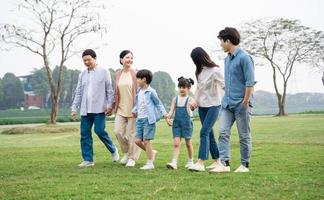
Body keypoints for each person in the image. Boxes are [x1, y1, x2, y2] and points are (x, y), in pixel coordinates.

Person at [210, 27, 256, 173]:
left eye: (221, 42)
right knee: (223, 132)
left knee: (243, 136)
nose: (220, 45)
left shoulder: (245, 58)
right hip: (227, 104)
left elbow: (250, 82)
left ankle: (244, 165)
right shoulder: (226, 60)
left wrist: (245, 100)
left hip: (241, 104)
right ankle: (224, 163)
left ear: (228, 41)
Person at [71, 49, 119, 168]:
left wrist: (109, 106)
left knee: (99, 131)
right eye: (84, 60)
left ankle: (113, 150)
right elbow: (78, 92)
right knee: (84, 133)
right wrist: (74, 108)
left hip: (99, 109)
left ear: (95, 58)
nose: (87, 62)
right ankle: (88, 159)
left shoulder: (104, 72)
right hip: (85, 109)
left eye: (89, 59)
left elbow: (109, 90)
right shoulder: (82, 74)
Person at [188, 47, 225, 172]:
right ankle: (217, 161)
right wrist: (194, 100)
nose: (195, 62)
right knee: (209, 133)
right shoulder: (199, 71)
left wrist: (231, 100)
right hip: (202, 106)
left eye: (196, 59)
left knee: (204, 131)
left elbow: (224, 85)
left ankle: (200, 161)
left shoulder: (215, 70)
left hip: (214, 105)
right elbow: (198, 89)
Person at [132, 69, 168, 170]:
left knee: (146, 141)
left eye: (138, 79)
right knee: (137, 141)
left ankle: (150, 163)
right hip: (140, 119)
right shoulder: (139, 91)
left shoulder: (151, 92)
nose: (137, 80)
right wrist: (134, 110)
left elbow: (158, 103)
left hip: (149, 119)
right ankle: (152, 152)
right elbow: (138, 103)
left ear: (144, 79)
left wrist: (165, 115)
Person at [114, 50, 141, 167]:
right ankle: (127, 153)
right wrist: (111, 106)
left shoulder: (136, 74)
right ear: (121, 60)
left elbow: (140, 92)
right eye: (127, 57)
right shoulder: (117, 74)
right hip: (121, 108)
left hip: (133, 109)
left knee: (132, 134)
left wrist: (138, 108)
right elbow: (116, 92)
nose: (129, 60)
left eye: (131, 58)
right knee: (118, 132)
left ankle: (132, 158)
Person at [165, 77, 195, 170]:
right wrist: (168, 117)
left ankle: (190, 161)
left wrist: (193, 106)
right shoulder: (175, 99)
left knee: (188, 143)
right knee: (176, 144)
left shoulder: (190, 99)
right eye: (180, 87)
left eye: (184, 87)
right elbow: (171, 111)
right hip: (177, 124)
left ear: (188, 88)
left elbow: (193, 108)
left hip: (187, 124)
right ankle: (174, 162)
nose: (181, 89)